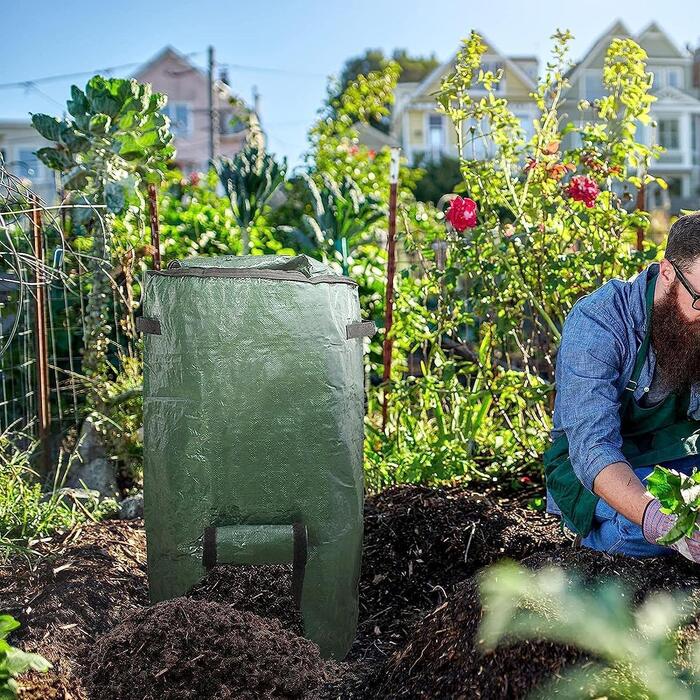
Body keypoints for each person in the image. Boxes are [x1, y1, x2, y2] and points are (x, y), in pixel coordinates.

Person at [545, 213, 700, 559]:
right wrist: (656, 519)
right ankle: (591, 551)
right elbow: (593, 448)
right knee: (652, 528)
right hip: (597, 469)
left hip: (678, 457)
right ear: (667, 273)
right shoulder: (599, 322)